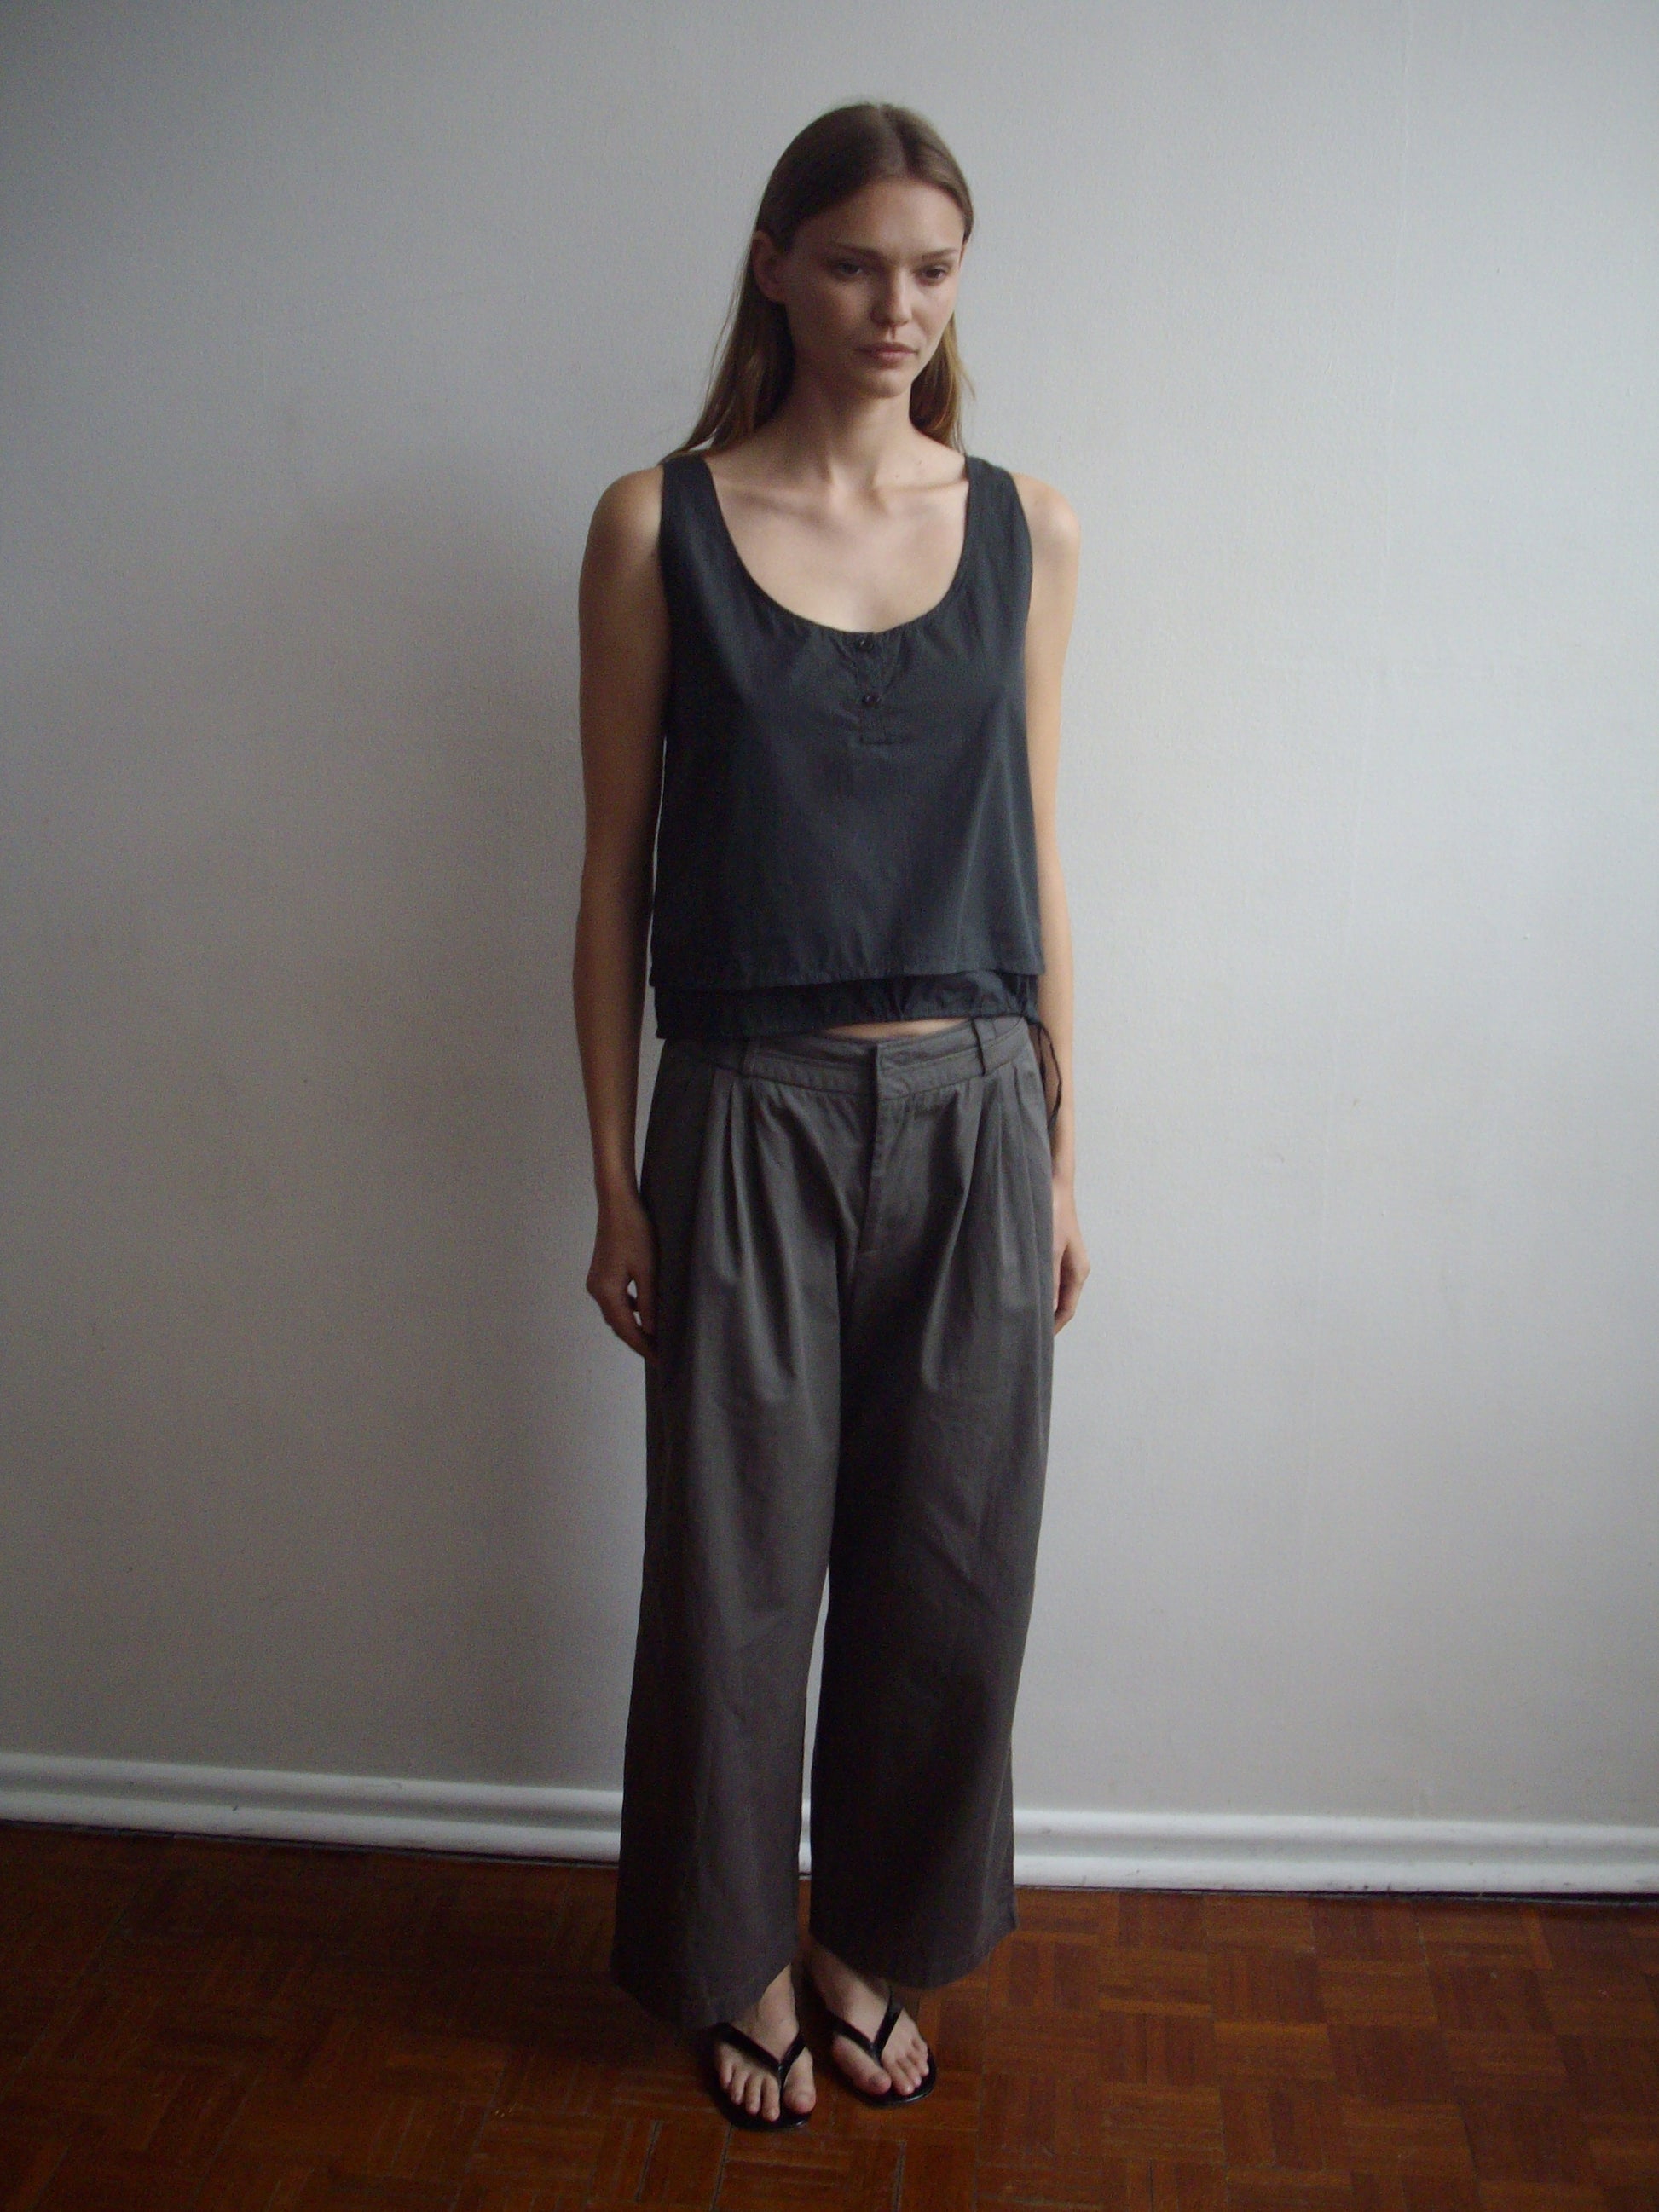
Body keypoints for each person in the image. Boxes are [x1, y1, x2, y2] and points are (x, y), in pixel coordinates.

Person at [572, 99, 1089, 2131]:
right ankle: (728, 1960)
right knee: (731, 1576)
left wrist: (1068, 1147)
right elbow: (611, 869)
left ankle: (870, 1935)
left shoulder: (1031, 524)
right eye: (860, 261)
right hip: (746, 1112)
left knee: (952, 1568)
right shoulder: (654, 521)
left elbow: (1041, 859)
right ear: (776, 263)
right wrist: (610, 1173)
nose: (900, 306)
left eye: (936, 268)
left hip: (974, 1105)